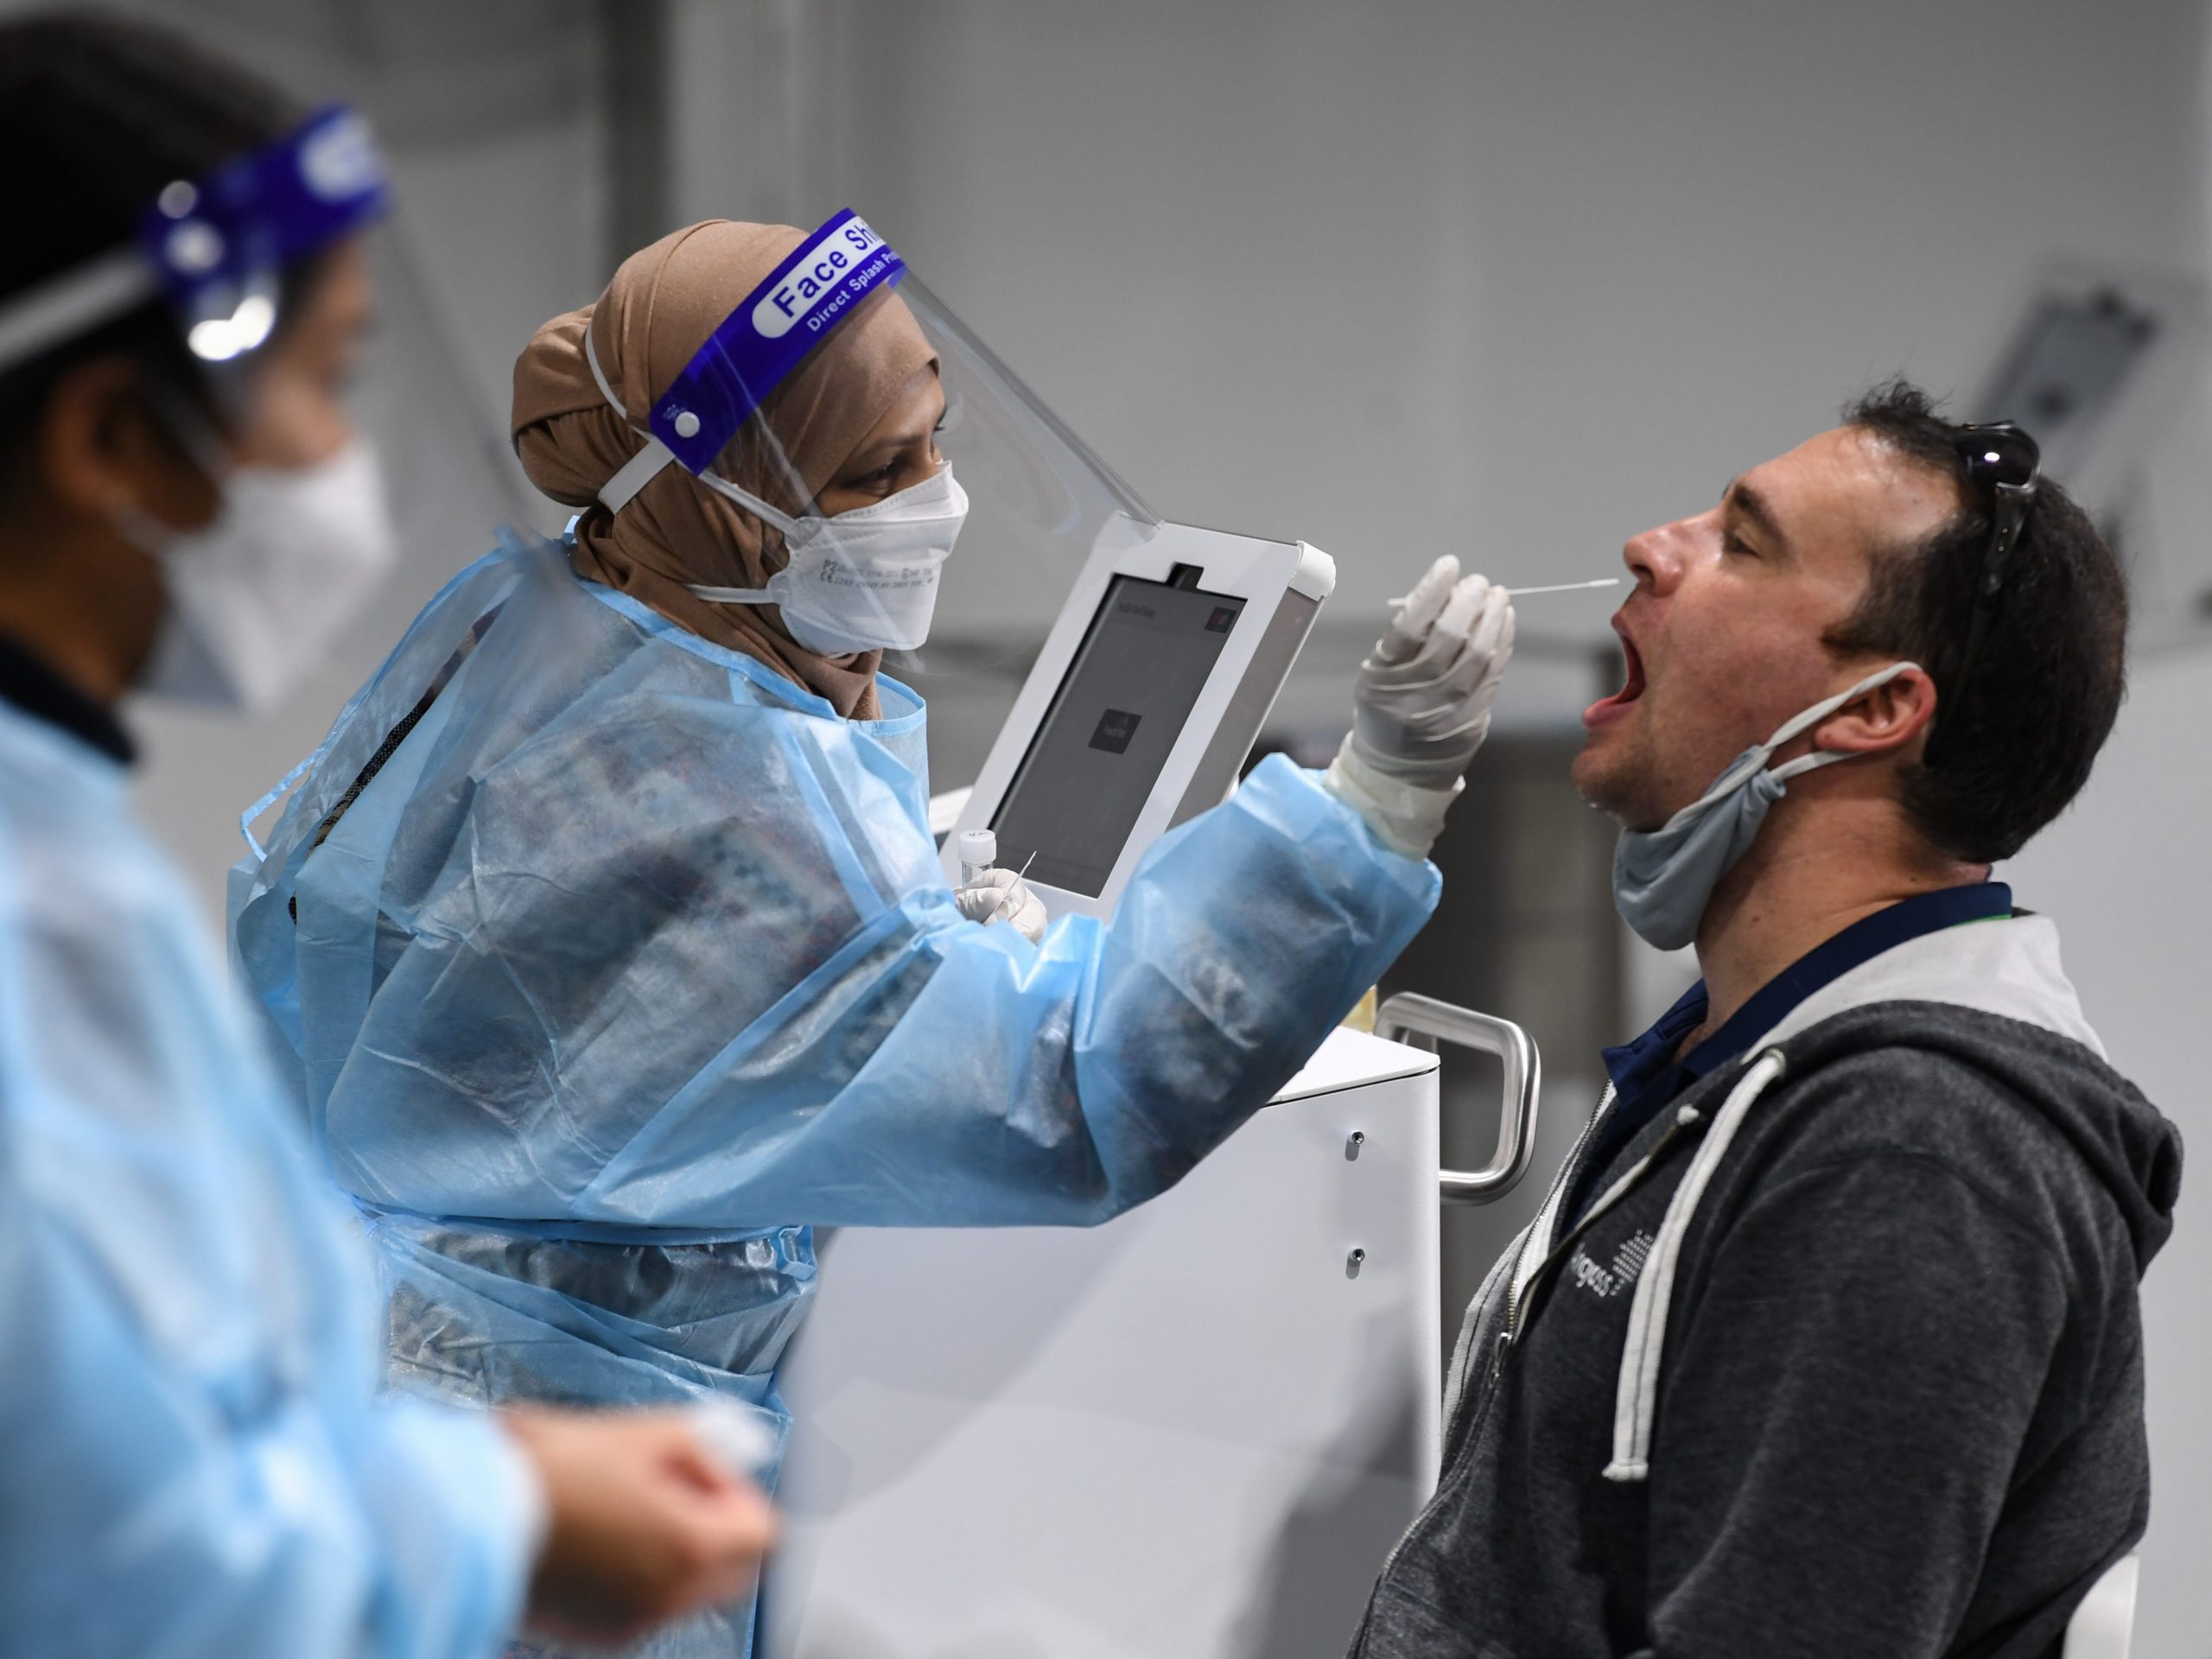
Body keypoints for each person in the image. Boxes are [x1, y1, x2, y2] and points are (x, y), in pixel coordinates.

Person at [227, 213, 1515, 1654]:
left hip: (373, 1371)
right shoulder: (732, 785)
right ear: (721, 501)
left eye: (936, 442)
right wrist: (1375, 800)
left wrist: (883, 910)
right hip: (564, 1482)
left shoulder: (538, 608)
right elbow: (1072, 1088)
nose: (937, 499)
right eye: (873, 472)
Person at [0, 16, 775, 1656]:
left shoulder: (55, 839)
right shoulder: (29, 931)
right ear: (110, 441)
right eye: (325, 385)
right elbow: (122, 1573)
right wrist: (509, 1521)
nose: (339, 466)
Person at [1348, 380, 2183, 1657]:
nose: (1650, 547)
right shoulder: (1737, 1074)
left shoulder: (1914, 1152)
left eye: (1742, 542)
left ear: (1869, 712)